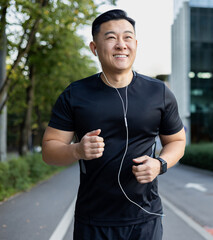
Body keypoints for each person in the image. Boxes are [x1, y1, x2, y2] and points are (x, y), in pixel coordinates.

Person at [42, 9, 186, 240]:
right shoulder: (75, 94)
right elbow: (49, 150)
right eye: (111, 38)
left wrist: (160, 164)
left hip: (145, 218)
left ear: (136, 45)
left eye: (128, 37)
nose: (121, 44)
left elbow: (177, 141)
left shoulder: (158, 92)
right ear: (94, 48)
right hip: (93, 221)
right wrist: (76, 150)